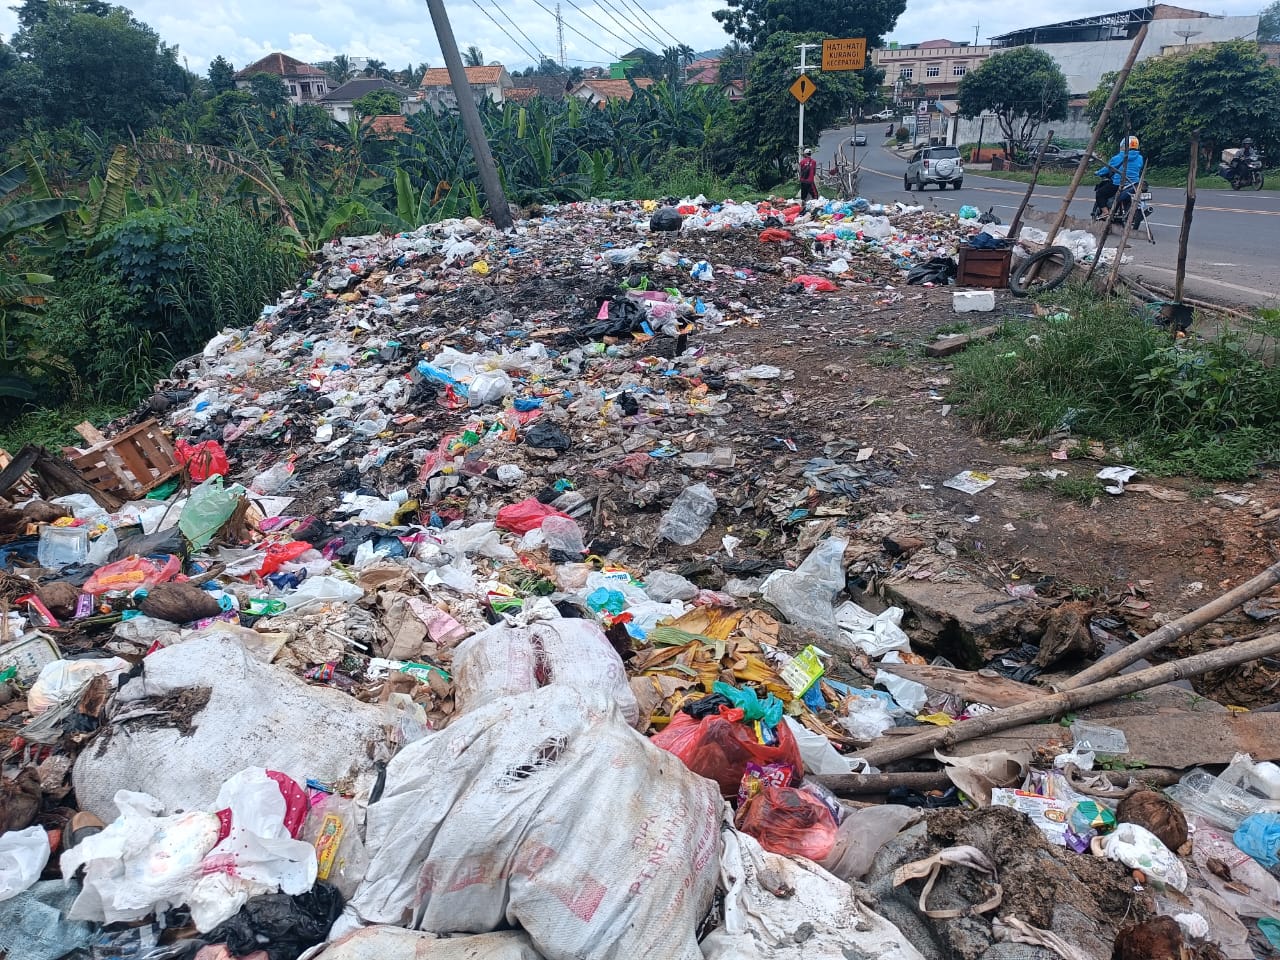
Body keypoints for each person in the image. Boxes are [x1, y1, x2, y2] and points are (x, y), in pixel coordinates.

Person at [1093, 136, 1144, 219]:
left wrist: (1098, 173)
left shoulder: (1118, 158)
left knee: (1100, 193)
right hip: (1134, 184)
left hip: (1119, 184)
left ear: (1124, 146)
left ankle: (1105, 212)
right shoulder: (1140, 158)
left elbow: (1107, 168)